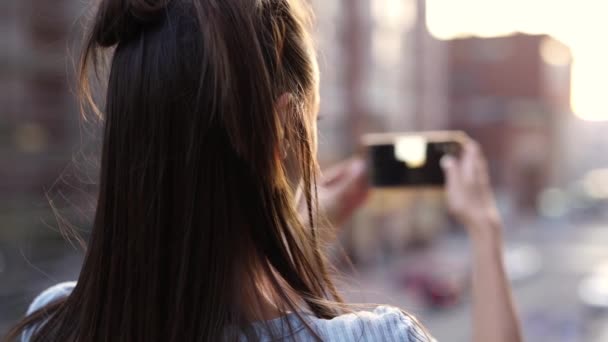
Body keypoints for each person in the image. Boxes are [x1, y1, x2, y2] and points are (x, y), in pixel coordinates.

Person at [5, 0, 522, 341]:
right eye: (311, 122)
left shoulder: (50, 325)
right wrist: (483, 226)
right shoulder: (378, 338)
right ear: (281, 134)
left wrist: (296, 236)